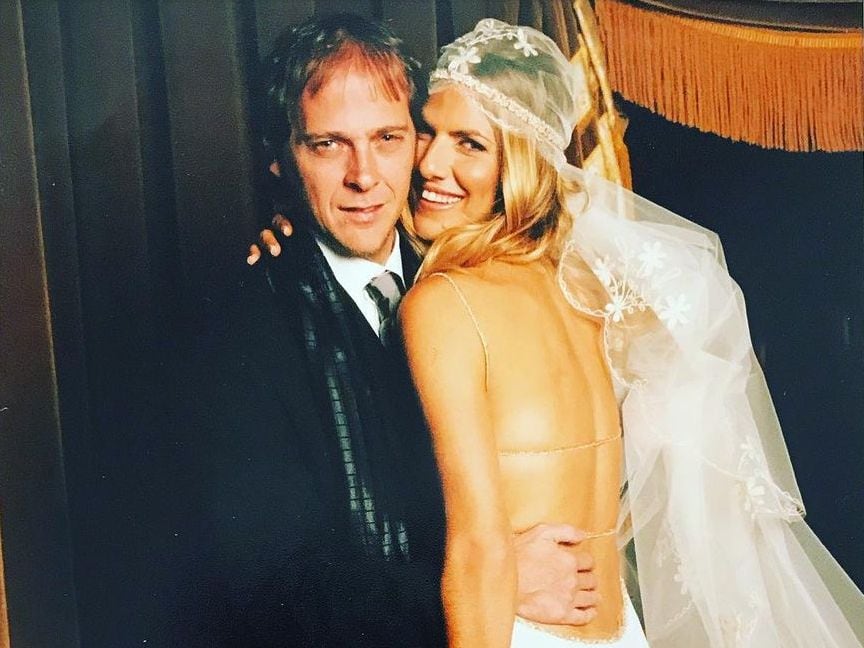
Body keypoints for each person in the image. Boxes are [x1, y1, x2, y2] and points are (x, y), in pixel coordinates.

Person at [393, 18, 864, 648]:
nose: (430, 162)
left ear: (521, 163)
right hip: (618, 630)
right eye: (427, 131)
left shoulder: (444, 304)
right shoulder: (590, 292)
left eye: (469, 144)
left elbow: (478, 550)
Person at [154, 13, 600, 647]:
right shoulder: (237, 331)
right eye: (327, 144)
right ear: (280, 158)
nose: (364, 176)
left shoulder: (471, 278)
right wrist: (493, 578)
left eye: (388, 137)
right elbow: (273, 587)